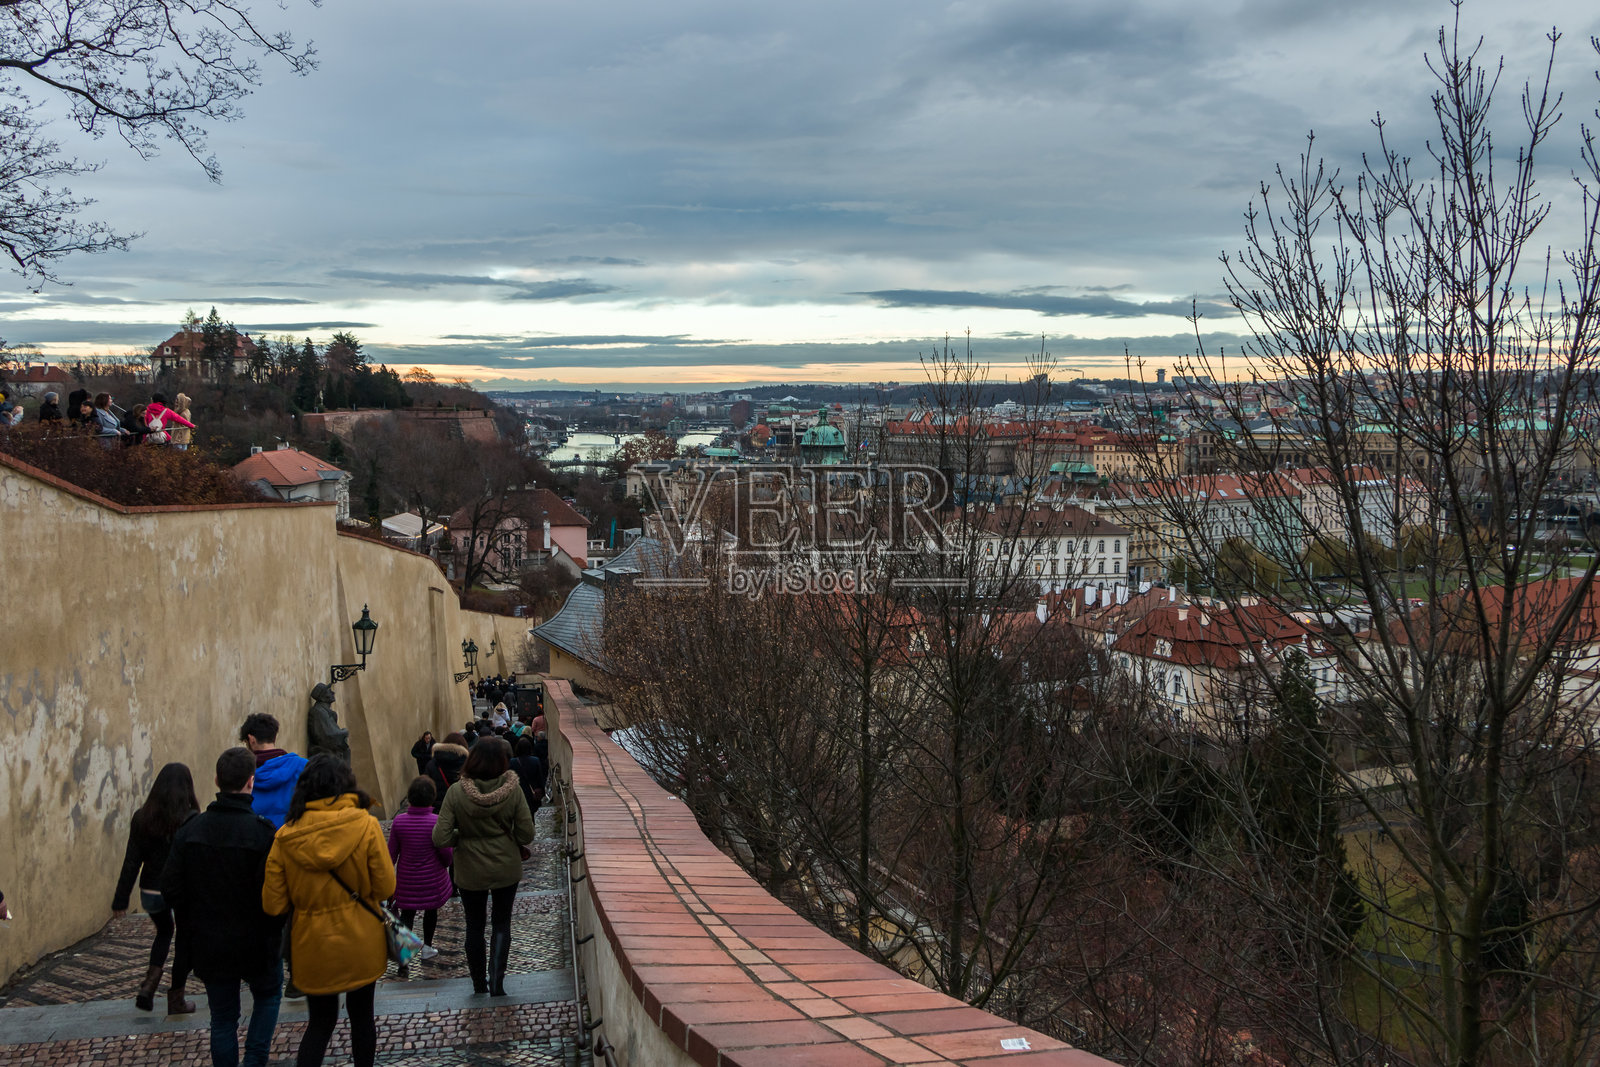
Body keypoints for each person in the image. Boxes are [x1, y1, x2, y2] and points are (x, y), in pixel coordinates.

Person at [263, 755, 395, 1067]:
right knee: (363, 1018)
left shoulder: (285, 836)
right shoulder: (366, 825)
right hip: (362, 939)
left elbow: (273, 904)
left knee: (320, 1025)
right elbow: (386, 887)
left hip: (312, 944)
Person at [162, 747, 284, 1067]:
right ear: (250, 783)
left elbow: (170, 887)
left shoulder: (191, 831)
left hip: (209, 941)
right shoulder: (262, 833)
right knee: (269, 996)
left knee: (223, 1019)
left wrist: (195, 915)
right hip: (256, 940)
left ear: (216, 780)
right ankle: (255, 1060)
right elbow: (277, 892)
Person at [433, 736, 533, 996]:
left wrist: (464, 836)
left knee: (474, 925)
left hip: (469, 869)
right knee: (502, 923)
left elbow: (440, 837)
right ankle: (497, 983)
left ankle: (478, 983)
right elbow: (526, 834)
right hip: (505, 867)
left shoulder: (456, 792)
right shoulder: (513, 790)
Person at [113, 762, 201, 1014]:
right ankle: (176, 1000)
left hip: (150, 891)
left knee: (164, 932)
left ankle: (149, 987)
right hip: (180, 890)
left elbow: (132, 861)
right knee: (183, 939)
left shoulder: (142, 818)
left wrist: (120, 899)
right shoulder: (191, 818)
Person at [387, 777, 451, 970]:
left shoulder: (399, 822)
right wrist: (446, 864)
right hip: (432, 880)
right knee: (431, 911)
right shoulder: (436, 821)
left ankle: (404, 956)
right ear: (432, 798)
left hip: (407, 880)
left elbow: (391, 854)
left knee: (407, 914)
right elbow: (446, 853)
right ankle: (428, 947)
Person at [240, 713, 308, 830]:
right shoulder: (305, 766)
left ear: (251, 740)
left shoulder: (242, 772)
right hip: (294, 837)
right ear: (274, 737)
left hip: (255, 840)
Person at [425, 733, 470, 813]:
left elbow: (426, 789)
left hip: (438, 810)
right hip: (463, 810)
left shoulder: (432, 764)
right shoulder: (468, 764)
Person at [510, 735, 546, 819]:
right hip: (532, 792)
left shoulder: (512, 762)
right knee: (531, 813)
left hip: (518, 791)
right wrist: (542, 790)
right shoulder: (535, 760)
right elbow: (540, 777)